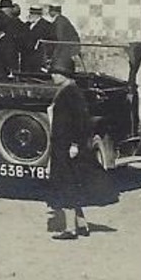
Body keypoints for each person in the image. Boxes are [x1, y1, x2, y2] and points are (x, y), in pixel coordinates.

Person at [45, 67, 98, 239]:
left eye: (55, 73)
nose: (52, 76)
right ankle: (82, 224)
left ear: (64, 75)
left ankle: (70, 229)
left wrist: (75, 144)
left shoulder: (71, 93)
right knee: (72, 183)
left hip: (67, 146)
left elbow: (81, 121)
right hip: (62, 144)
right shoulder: (67, 90)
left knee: (66, 184)